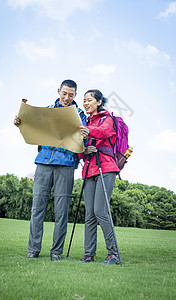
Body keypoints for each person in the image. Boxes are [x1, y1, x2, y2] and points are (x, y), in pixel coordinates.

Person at [14, 79, 88, 261]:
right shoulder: (46, 110)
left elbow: (82, 143)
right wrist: (19, 123)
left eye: (71, 94)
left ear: (75, 95)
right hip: (43, 162)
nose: (67, 97)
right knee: (37, 208)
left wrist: (85, 136)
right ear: (58, 91)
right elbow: (32, 127)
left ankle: (56, 252)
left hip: (66, 165)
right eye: (64, 93)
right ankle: (33, 250)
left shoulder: (80, 114)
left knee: (61, 211)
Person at [78, 89, 120, 265]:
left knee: (100, 210)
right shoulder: (84, 122)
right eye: (84, 100)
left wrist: (85, 129)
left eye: (89, 100)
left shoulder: (107, 118)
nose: (86, 103)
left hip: (106, 167)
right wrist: (83, 151)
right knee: (89, 214)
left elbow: (103, 132)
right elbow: (78, 149)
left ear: (99, 102)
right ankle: (89, 255)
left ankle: (114, 255)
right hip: (89, 170)